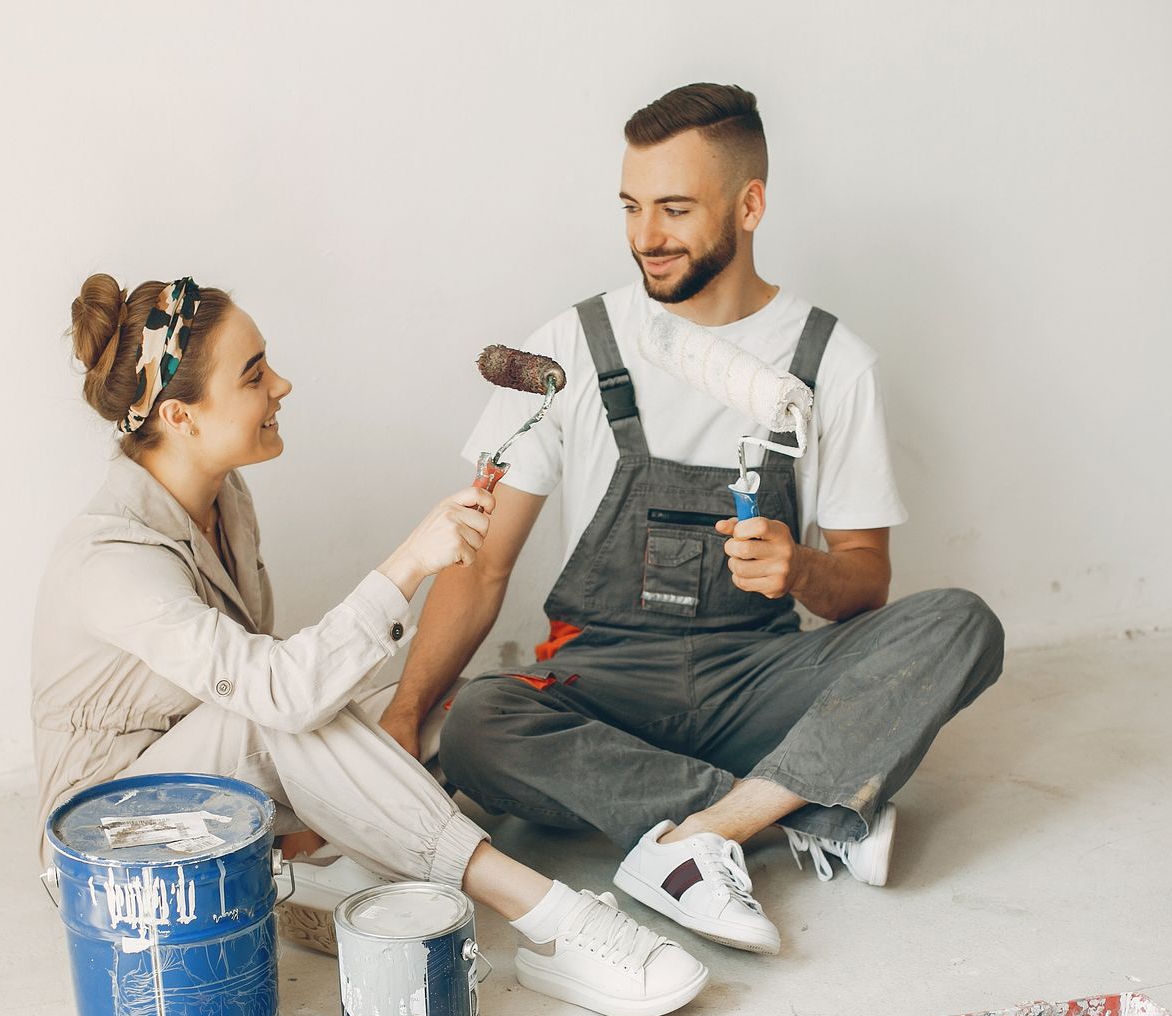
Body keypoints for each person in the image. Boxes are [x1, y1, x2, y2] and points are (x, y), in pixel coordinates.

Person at [381, 84, 1006, 957]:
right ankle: (806, 810)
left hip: (757, 676)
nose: (647, 236)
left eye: (675, 209)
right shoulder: (574, 345)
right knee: (481, 723)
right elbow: (482, 565)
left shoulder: (832, 363)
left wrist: (801, 570)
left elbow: (867, 582)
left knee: (962, 624)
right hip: (604, 682)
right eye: (632, 207)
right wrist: (406, 716)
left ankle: (699, 833)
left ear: (750, 205)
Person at [30, 273, 709, 1016]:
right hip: (108, 849)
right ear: (180, 415)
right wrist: (411, 561)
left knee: (451, 706)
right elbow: (275, 696)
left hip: (217, 792)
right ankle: (551, 921)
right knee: (280, 713)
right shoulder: (113, 560)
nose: (281, 384)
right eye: (254, 374)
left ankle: (336, 853)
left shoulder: (223, 498)